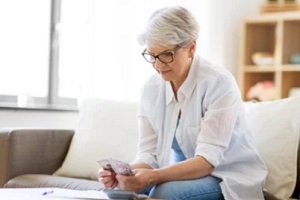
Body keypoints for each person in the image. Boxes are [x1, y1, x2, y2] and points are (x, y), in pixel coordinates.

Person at [98, 6, 267, 200]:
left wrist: (152, 177)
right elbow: (148, 154)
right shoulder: (150, 89)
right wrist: (123, 173)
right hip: (178, 174)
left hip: (224, 175)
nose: (158, 65)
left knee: (164, 193)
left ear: (191, 48)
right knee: (120, 191)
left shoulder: (219, 83)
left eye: (167, 54)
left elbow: (206, 162)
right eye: (152, 55)